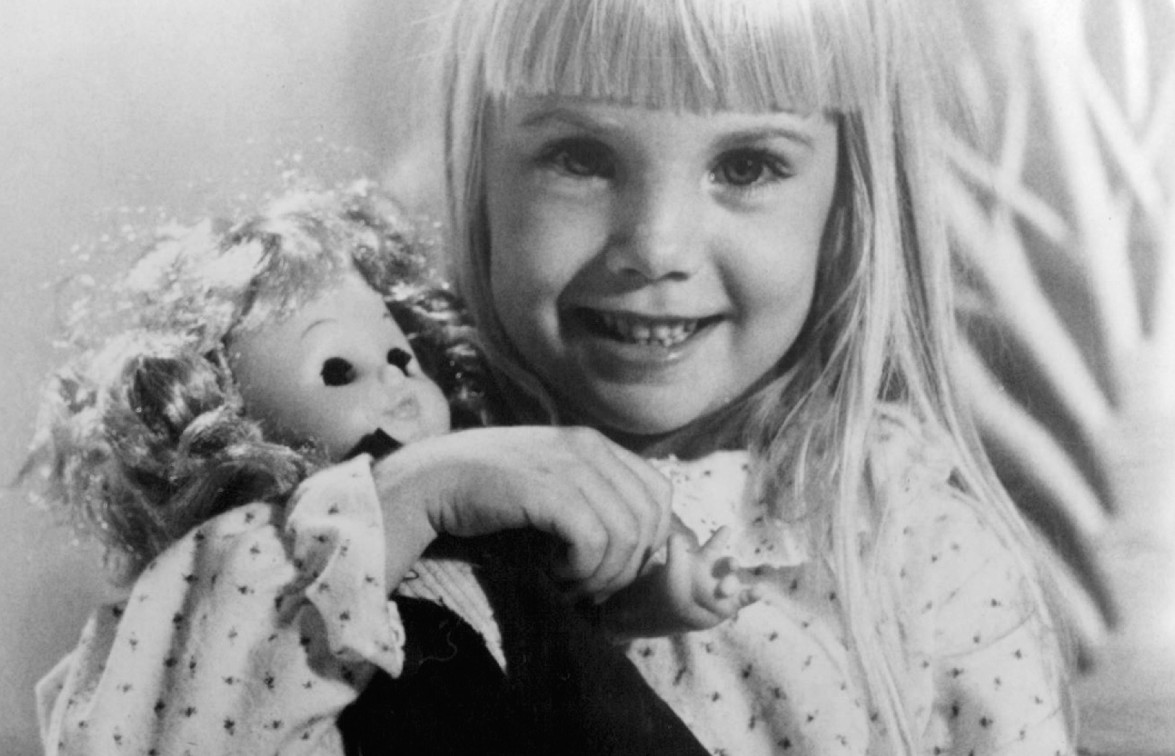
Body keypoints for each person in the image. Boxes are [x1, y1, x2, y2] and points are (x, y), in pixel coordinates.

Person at [429, 0, 1077, 753]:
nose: (656, 246)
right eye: (580, 156)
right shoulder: (390, 469)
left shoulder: (915, 556)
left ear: (848, 202)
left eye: (745, 167)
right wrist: (391, 509)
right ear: (479, 168)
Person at [28, 183, 743, 755]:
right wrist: (416, 490)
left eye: (403, 357)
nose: (397, 382)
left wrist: (652, 599)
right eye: (338, 369)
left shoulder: (473, 540)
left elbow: (564, 655)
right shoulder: (240, 570)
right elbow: (192, 717)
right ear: (222, 429)